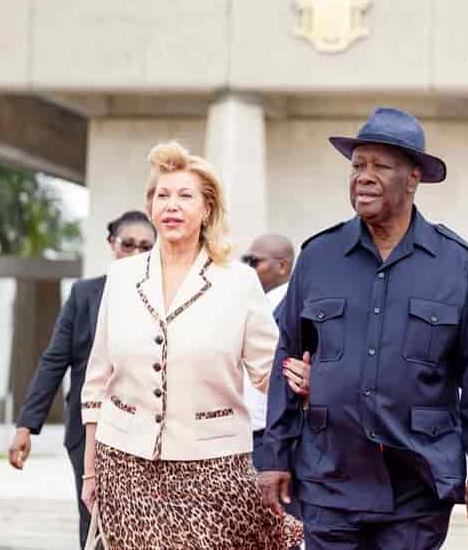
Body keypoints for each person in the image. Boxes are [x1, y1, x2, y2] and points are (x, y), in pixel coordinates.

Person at [258, 107, 468, 550]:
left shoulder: (455, 265)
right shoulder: (319, 256)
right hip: (329, 475)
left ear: (413, 178)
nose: (364, 178)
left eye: (380, 167)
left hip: (417, 482)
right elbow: (287, 359)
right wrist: (275, 454)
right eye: (357, 166)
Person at [79, 142, 302, 549]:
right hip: (126, 465)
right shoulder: (122, 277)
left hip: (215, 466)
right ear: (151, 207)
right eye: (162, 195)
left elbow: (269, 372)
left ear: (207, 208)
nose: (172, 206)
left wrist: (306, 381)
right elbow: (97, 381)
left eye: (185, 196)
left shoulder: (238, 282)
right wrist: (91, 471)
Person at [8, 211, 155, 549]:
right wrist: (26, 425)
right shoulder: (84, 294)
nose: (136, 253)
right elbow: (54, 360)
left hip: (145, 429)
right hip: (88, 428)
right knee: (94, 521)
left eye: (145, 247)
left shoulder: (164, 296)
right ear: (112, 244)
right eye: (128, 244)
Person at [240, 234, 295, 469]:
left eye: (254, 261)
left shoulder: (292, 306)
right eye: (245, 260)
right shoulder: (251, 301)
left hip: (271, 435)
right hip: (242, 433)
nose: (247, 267)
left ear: (282, 266)